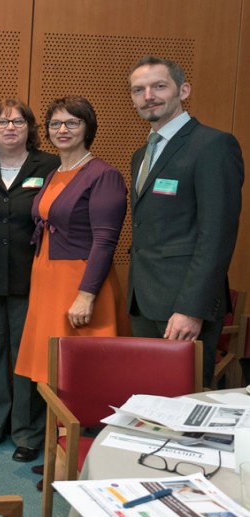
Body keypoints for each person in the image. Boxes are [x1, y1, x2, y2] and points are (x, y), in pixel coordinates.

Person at [14, 96, 128, 466]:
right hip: (47, 281)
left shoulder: (103, 174)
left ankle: (81, 459)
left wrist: (86, 294)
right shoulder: (55, 172)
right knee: (53, 374)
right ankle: (60, 454)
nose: (62, 130)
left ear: (87, 128)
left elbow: (105, 240)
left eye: (72, 123)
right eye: (55, 124)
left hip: (78, 284)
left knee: (78, 376)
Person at [127, 56, 244, 387]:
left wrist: (192, 308)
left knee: (181, 403)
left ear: (184, 90)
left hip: (183, 304)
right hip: (144, 300)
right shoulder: (141, 155)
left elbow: (217, 235)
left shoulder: (213, 145)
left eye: (159, 86)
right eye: (139, 89)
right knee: (149, 400)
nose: (148, 95)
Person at [0, 99, 59, 462]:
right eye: (2, 121)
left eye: (18, 121)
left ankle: (27, 432)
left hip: (32, 276)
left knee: (26, 356)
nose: (10, 128)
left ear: (30, 128)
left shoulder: (48, 165)